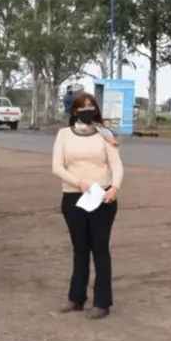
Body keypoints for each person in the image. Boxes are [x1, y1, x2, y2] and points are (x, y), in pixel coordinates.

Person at [51, 92, 124, 319]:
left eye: (91, 106)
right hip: (74, 196)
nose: (87, 110)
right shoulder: (64, 134)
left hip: (102, 196)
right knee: (80, 248)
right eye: (82, 107)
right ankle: (76, 297)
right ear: (74, 111)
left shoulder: (105, 134)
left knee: (100, 248)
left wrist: (114, 188)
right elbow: (57, 166)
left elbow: (117, 164)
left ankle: (102, 301)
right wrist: (79, 183)